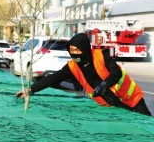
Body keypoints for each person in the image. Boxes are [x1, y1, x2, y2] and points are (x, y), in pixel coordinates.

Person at [15, 33, 151, 116]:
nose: (74, 53)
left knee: (147, 125)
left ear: (84, 49)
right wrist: (30, 90)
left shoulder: (101, 56)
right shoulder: (72, 66)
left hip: (132, 99)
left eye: (77, 49)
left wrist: (104, 85)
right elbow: (52, 78)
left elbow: (116, 73)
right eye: (71, 50)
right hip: (111, 105)